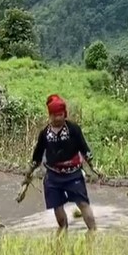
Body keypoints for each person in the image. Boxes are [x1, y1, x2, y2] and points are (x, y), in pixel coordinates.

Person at [24, 94, 101, 232]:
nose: (58, 118)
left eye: (60, 114)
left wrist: (93, 168)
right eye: (54, 115)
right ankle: (63, 233)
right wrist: (29, 172)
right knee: (57, 206)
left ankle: (93, 232)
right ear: (50, 115)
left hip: (73, 174)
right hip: (53, 176)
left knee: (83, 203)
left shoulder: (73, 130)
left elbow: (84, 149)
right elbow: (37, 154)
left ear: (64, 114)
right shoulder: (45, 134)